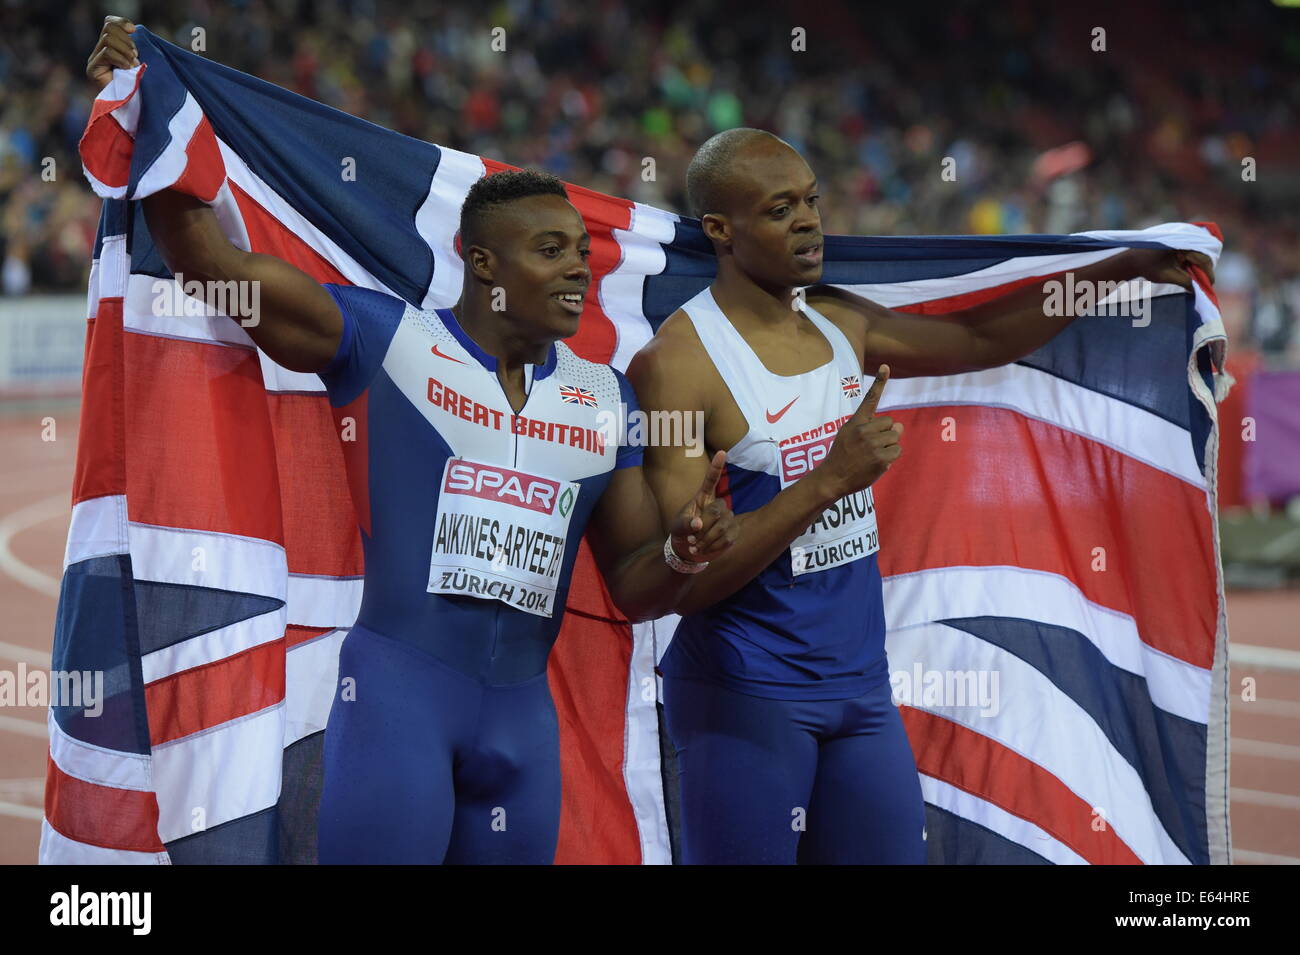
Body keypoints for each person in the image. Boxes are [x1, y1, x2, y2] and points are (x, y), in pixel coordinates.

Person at [86, 18, 738, 865]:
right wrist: (152, 120)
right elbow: (215, 268)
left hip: (522, 734)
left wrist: (686, 554)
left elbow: (635, 583)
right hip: (398, 706)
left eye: (581, 251)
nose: (579, 269)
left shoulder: (602, 400)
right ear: (482, 263)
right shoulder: (386, 342)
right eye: (551, 251)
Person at [627, 127, 1216, 864]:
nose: (809, 220)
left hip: (860, 689)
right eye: (780, 209)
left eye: (811, 201)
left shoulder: (840, 323)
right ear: (720, 229)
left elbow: (978, 342)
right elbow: (686, 580)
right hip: (745, 693)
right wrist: (829, 481)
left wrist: (1118, 268)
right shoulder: (676, 367)